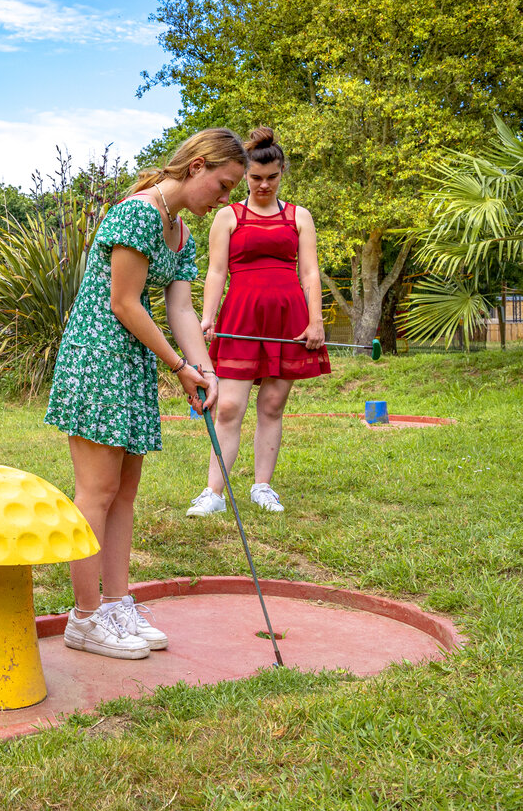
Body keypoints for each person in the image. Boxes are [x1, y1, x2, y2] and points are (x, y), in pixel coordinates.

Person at [45, 128, 247, 660]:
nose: (224, 199)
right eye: (224, 185)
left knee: (125, 492)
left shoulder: (181, 231)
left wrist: (205, 372)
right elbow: (124, 303)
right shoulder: (138, 213)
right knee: (96, 490)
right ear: (198, 166)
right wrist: (179, 367)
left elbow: (181, 310)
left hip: (130, 361)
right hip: (97, 356)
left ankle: (115, 603)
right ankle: (84, 617)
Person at [188, 127, 330, 517]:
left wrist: (315, 321)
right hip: (242, 317)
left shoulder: (299, 216)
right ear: (245, 175)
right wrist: (208, 317)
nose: (263, 185)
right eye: (255, 178)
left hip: (288, 320)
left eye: (272, 177)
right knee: (229, 406)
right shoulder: (227, 216)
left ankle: (263, 487)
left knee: (271, 404)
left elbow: (310, 273)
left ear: (282, 173)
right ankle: (214, 493)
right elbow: (217, 272)